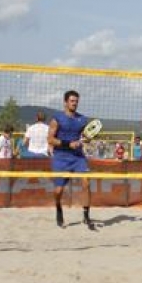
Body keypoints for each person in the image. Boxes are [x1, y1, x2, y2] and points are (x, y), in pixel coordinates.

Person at [48, 90, 95, 230]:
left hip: (78, 156)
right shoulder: (57, 118)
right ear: (65, 102)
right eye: (72, 101)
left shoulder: (82, 119)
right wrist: (68, 144)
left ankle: (86, 216)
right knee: (58, 190)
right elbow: (50, 139)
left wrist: (88, 138)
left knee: (86, 183)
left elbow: (86, 136)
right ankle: (58, 208)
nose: (75, 103)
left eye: (76, 101)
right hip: (61, 156)